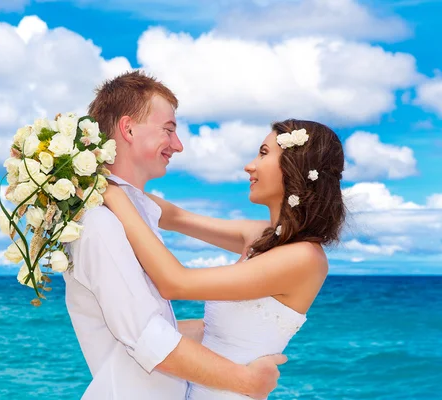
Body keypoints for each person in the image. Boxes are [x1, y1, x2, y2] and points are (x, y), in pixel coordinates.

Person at [63, 71, 286, 400]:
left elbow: (151, 326)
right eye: (169, 130)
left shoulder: (132, 215)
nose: (178, 145)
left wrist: (240, 334)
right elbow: (148, 339)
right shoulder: (101, 222)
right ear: (128, 129)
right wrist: (247, 382)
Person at [103, 119, 346, 399]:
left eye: (263, 153)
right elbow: (176, 217)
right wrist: (106, 179)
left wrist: (113, 195)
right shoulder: (259, 236)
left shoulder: (304, 257)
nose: (250, 166)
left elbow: (176, 283)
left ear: (295, 166)